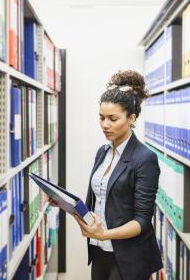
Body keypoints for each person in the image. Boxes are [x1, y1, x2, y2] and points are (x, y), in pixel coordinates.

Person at [73, 70, 163, 280]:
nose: (105, 125)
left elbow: (141, 221)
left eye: (113, 119)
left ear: (131, 118)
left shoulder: (145, 159)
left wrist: (104, 233)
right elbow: (99, 199)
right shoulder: (103, 152)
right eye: (101, 118)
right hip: (99, 250)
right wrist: (63, 202)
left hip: (128, 258)